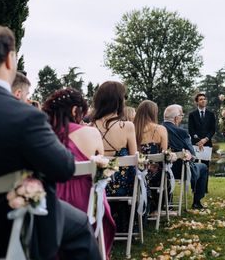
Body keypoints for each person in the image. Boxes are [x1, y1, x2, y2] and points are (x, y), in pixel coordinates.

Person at [0, 24, 100, 259]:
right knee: (80, 226)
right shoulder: (24, 116)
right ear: (8, 60)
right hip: (6, 226)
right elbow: (62, 168)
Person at [43, 87, 116, 259]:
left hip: (49, 202)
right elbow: (101, 161)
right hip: (84, 203)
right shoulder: (90, 133)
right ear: (75, 110)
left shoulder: (41, 134)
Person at [91, 81, 138, 231]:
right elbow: (134, 158)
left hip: (98, 186)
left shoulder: (90, 127)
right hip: (124, 188)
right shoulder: (127, 126)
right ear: (119, 100)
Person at [162, 104, 209, 209]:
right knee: (203, 167)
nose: (181, 118)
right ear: (176, 118)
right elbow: (193, 155)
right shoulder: (182, 132)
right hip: (180, 171)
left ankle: (166, 202)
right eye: (181, 115)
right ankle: (197, 202)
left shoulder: (158, 130)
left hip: (161, 171)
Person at [134, 100, 168, 212]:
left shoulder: (132, 129)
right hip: (155, 175)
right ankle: (157, 205)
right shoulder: (161, 129)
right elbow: (164, 152)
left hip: (137, 172)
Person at [188, 92, 217, 190]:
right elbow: (191, 130)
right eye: (200, 99)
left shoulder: (211, 114)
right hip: (195, 144)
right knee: (194, 165)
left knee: (206, 166)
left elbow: (213, 129)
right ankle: (194, 187)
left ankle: (204, 188)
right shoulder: (192, 115)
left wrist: (205, 139)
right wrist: (199, 140)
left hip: (207, 143)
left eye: (204, 99)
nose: (203, 100)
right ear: (196, 102)